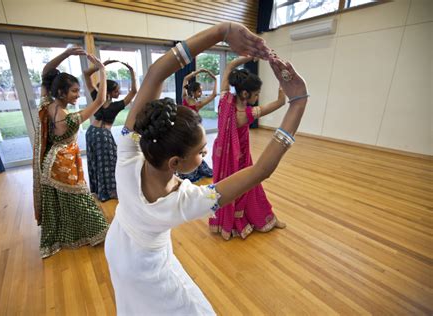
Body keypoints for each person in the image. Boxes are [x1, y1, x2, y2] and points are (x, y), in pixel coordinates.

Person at [104, 21, 308, 315]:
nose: (205, 155)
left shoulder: (128, 153)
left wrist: (221, 32)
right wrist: (298, 103)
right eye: (200, 152)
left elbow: (156, 72)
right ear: (175, 162)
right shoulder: (181, 202)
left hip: (117, 246)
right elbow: (260, 171)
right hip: (146, 268)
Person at [32, 47, 109, 258]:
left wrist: (66, 54)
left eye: (77, 90)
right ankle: (100, 233)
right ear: (61, 92)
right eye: (74, 91)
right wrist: (102, 70)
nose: (77, 94)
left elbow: (46, 72)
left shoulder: (47, 104)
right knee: (82, 199)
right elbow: (100, 101)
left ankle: (64, 236)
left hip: (50, 161)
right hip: (62, 165)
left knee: (60, 203)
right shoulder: (68, 118)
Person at [209, 57, 287, 240]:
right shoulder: (245, 114)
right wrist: (282, 96)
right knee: (249, 189)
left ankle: (230, 223)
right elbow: (277, 105)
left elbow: (229, 66)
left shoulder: (224, 100)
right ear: (245, 94)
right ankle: (264, 219)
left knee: (228, 188)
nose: (258, 97)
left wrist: (249, 56)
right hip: (239, 158)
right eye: (256, 93)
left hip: (221, 156)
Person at [83, 60, 137, 201]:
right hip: (102, 135)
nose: (119, 92)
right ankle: (110, 192)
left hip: (91, 132)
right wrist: (131, 71)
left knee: (95, 161)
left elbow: (86, 74)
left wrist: (102, 65)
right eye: (117, 90)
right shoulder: (116, 105)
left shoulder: (97, 96)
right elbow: (134, 92)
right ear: (111, 92)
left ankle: (98, 189)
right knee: (110, 164)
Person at [177, 68, 217, 182]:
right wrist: (214, 80)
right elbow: (214, 94)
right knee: (193, 151)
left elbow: (185, 78)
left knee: (187, 151)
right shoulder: (198, 104)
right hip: (191, 131)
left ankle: (187, 169)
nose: (201, 93)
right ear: (193, 92)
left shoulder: (184, 97)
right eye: (200, 91)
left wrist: (197, 72)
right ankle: (191, 170)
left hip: (183, 130)